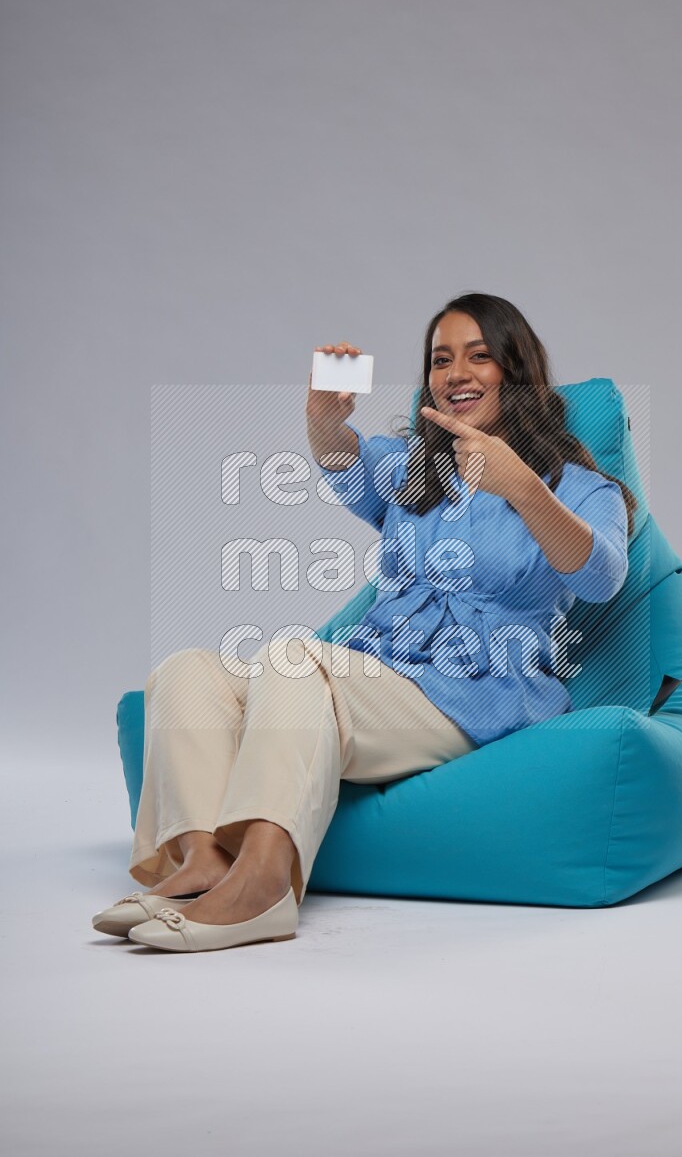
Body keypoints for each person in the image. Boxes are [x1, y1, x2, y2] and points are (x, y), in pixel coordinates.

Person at [92, 291, 637, 952]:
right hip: (378, 675)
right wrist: (323, 417)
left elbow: (602, 574)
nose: (456, 373)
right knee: (187, 673)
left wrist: (521, 485)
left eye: (479, 356)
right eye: (441, 360)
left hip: (476, 695)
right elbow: (344, 460)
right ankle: (201, 859)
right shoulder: (419, 471)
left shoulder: (576, 484)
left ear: (515, 370)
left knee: (296, 657)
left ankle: (262, 886)